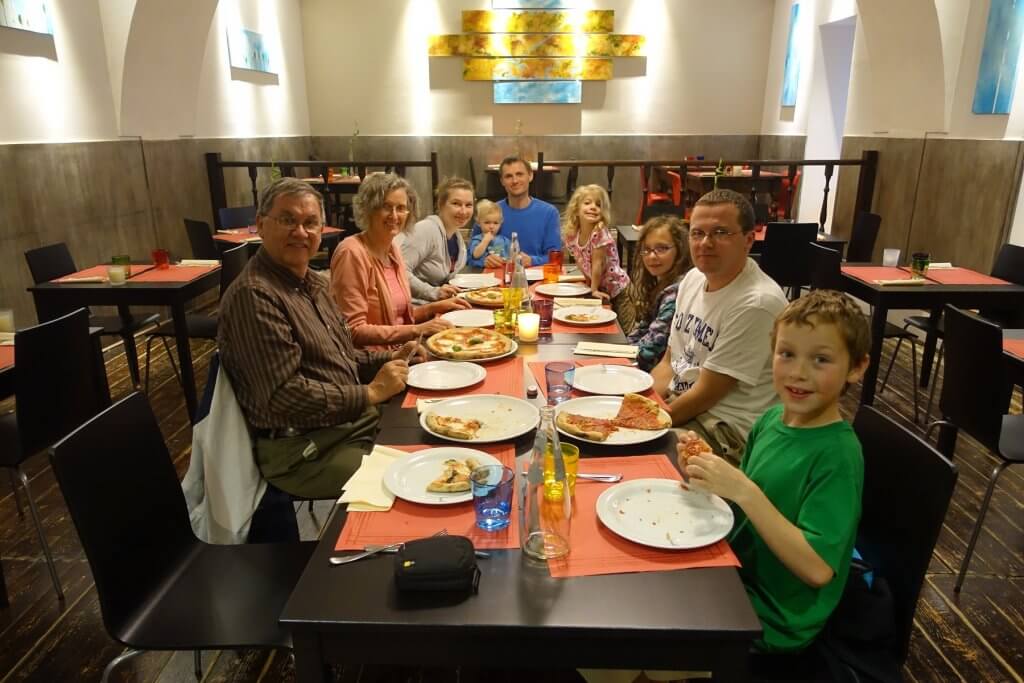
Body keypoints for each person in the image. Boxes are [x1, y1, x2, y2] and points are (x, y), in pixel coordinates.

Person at [679, 289, 870, 654]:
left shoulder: (838, 455)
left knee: (641, 640)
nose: (798, 373)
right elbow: (749, 506)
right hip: (736, 577)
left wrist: (744, 490)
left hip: (772, 619)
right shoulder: (770, 419)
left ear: (857, 368)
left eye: (821, 360)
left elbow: (817, 569)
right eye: (787, 354)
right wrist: (708, 474)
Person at [218, 177, 421, 499]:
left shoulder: (312, 283)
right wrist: (370, 393)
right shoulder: (254, 296)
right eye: (288, 220)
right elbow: (284, 396)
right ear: (260, 225)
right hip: (302, 449)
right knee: (412, 479)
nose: (301, 232)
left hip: (348, 424)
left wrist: (394, 358)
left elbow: (342, 355)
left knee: (434, 432)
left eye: (310, 222)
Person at [651, 189, 787, 463]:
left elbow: (706, 394)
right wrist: (642, 404)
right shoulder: (692, 279)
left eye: (721, 233)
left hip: (724, 432)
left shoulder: (756, 303)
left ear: (749, 240)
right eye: (697, 233)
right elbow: (669, 362)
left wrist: (647, 424)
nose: (705, 243)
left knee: (629, 459)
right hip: (684, 410)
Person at [331, 173, 471, 350]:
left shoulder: (392, 250)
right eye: (386, 207)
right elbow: (352, 330)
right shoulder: (351, 252)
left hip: (401, 352)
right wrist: (417, 329)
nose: (394, 215)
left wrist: (433, 308)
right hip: (373, 363)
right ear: (368, 209)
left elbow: (393, 317)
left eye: (401, 208)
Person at [622, 215, 692, 372]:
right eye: (646, 249)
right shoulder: (661, 283)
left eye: (662, 248)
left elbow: (652, 346)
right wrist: (623, 348)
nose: (652, 256)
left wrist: (621, 356)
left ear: (680, 250)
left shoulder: (676, 291)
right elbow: (643, 328)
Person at [472, 156, 561, 268]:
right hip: (496, 280)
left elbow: (555, 257)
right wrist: (483, 261)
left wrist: (532, 260)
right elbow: (469, 255)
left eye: (519, 174)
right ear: (502, 181)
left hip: (537, 279)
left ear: (530, 176)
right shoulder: (488, 212)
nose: (515, 181)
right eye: (509, 176)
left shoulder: (549, 213)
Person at [399, 176, 473, 303]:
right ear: (440, 204)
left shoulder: (457, 237)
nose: (463, 211)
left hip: (438, 306)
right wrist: (433, 292)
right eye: (456, 203)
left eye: (468, 205)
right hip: (413, 309)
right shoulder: (426, 229)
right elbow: (399, 271)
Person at [563, 184, 629, 304]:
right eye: (587, 203)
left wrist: (593, 290)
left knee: (622, 322)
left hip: (618, 289)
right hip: (600, 287)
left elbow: (597, 264)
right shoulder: (572, 235)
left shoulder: (599, 233)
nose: (593, 207)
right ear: (576, 210)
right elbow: (581, 261)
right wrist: (588, 283)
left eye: (598, 205)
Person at [467, 199, 510, 268]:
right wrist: (485, 241)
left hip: (502, 271)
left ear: (501, 223)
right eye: (487, 222)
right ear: (478, 222)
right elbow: (475, 255)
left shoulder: (504, 240)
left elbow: (512, 257)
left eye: (495, 223)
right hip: (484, 273)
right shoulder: (477, 239)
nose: (491, 226)